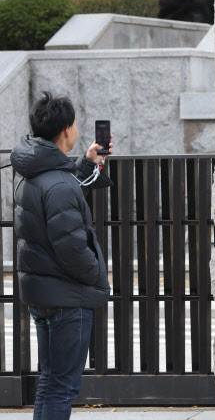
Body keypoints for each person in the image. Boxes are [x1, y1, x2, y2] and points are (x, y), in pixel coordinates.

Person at [11, 92, 113, 419]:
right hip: (67, 298)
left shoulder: (35, 173)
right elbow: (70, 247)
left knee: (50, 381)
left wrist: (86, 164)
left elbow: (59, 198)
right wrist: (97, 275)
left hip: (45, 294)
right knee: (62, 386)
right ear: (67, 130)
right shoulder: (58, 183)